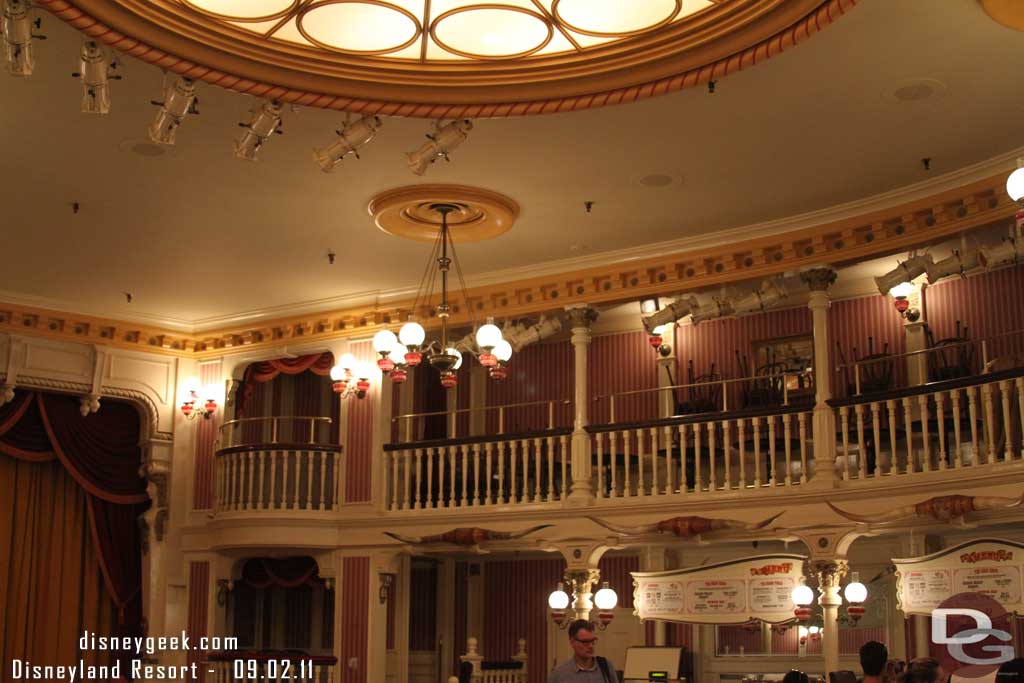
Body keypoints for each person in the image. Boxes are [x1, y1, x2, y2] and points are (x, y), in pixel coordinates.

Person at [548, 619, 619, 683]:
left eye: (592, 641)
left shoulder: (606, 666)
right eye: (585, 642)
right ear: (572, 642)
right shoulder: (559, 673)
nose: (591, 646)